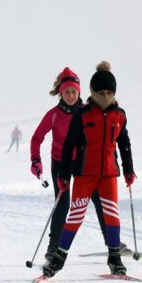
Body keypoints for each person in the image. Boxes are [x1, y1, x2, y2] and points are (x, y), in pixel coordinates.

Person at [43, 61, 136, 278]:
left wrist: (129, 170)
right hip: (85, 174)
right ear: (92, 92)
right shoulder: (83, 115)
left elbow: (124, 143)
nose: (105, 95)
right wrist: (63, 175)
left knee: (112, 216)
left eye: (109, 92)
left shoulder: (119, 115)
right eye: (101, 92)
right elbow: (69, 146)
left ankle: (115, 259)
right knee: (75, 215)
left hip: (109, 175)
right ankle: (58, 259)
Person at [29, 67, 113, 262]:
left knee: (98, 198)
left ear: (79, 91)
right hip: (60, 163)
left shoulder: (87, 112)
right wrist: (36, 161)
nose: (70, 95)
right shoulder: (53, 115)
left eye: (74, 91)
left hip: (84, 162)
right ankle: (53, 247)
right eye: (66, 91)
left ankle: (112, 242)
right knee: (62, 203)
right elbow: (36, 138)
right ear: (60, 92)